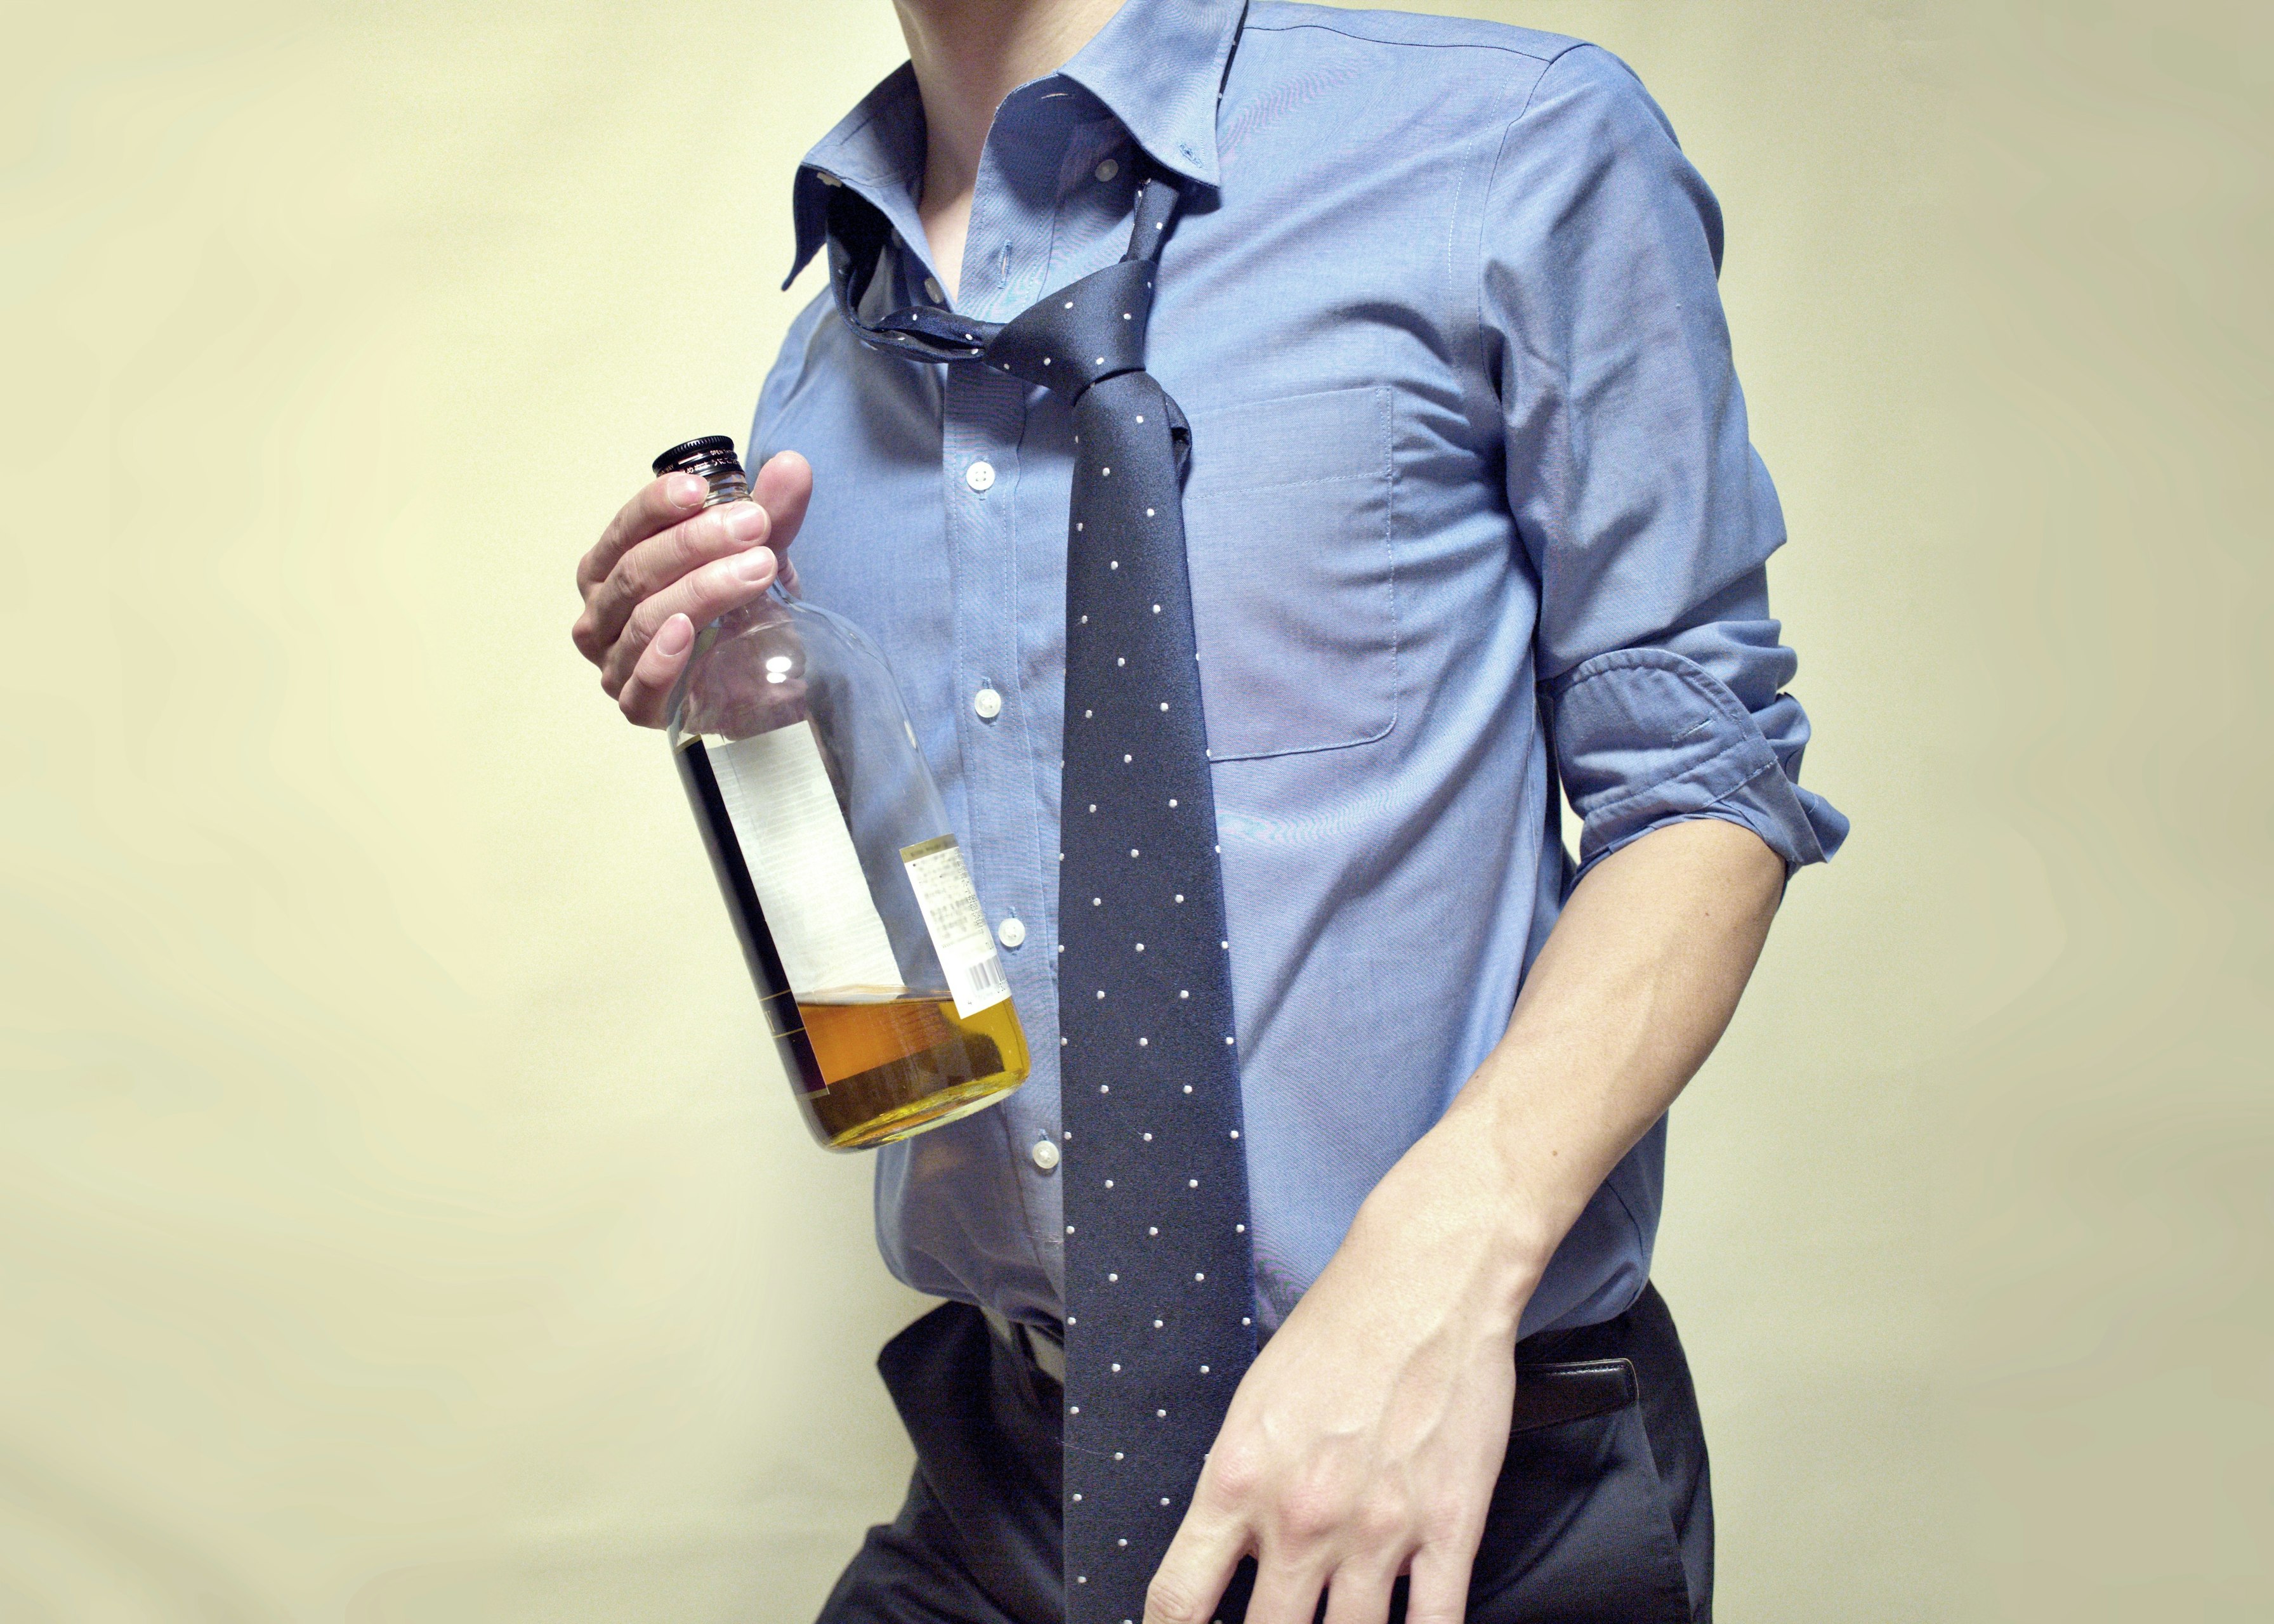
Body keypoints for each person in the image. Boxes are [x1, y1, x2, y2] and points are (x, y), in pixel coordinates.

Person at [570, 1, 1846, 1619]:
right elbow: (945, 907)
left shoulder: (1514, 149)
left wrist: (1433, 1271)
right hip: (1011, 1485)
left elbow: (1703, 774)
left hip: (1449, 1480)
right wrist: (738, 692)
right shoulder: (819, 372)